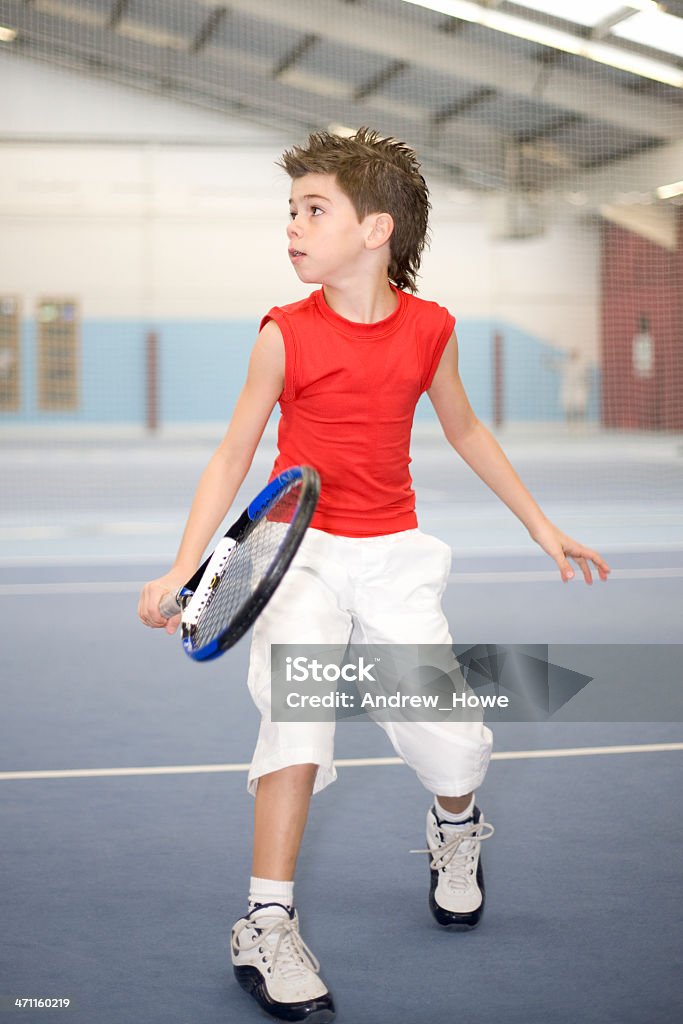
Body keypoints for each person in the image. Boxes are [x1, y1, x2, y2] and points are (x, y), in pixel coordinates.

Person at [138, 128, 610, 1023]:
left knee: (451, 742)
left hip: (394, 555)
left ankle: (455, 828)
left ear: (374, 229)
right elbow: (234, 452)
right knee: (296, 720)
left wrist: (542, 526)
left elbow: (465, 430)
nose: (292, 227)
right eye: (290, 211)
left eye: (313, 210)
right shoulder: (282, 334)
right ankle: (266, 922)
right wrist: (182, 567)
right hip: (294, 554)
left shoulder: (431, 331)